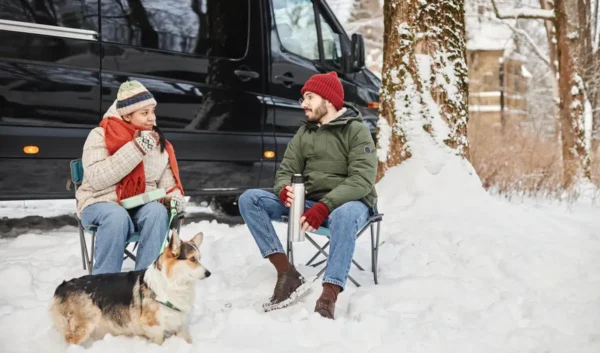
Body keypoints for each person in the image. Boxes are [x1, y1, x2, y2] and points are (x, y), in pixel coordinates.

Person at [238, 71, 378, 319]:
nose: (303, 104)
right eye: (304, 98)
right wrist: (284, 191)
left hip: (351, 203)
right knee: (250, 199)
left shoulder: (356, 131)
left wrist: (325, 206)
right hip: (311, 204)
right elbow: (286, 171)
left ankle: (329, 295)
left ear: (328, 100)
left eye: (309, 97)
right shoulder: (305, 133)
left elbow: (362, 180)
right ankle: (287, 273)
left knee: (344, 214)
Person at [76, 80, 185, 275]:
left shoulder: (158, 142)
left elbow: (169, 185)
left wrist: (174, 199)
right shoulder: (100, 135)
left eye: (153, 111)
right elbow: (98, 179)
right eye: (144, 113)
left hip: (138, 205)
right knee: (116, 215)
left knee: (157, 212)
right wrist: (136, 149)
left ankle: (146, 281)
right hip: (99, 202)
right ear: (127, 114)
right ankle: (104, 286)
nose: (151, 118)